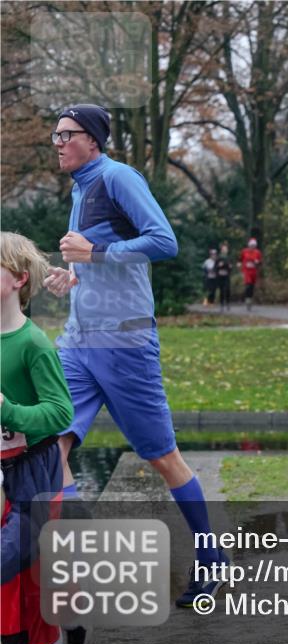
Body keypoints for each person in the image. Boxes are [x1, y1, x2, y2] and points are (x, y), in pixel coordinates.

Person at [42, 104, 227, 605]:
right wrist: (75, 274)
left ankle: (210, 556)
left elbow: (164, 242)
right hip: (79, 342)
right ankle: (71, 568)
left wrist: (94, 256)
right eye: (54, 134)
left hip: (125, 344)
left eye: (67, 134)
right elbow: (100, 253)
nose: (57, 142)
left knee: (164, 459)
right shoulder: (80, 187)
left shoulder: (118, 177)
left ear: (94, 139)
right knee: (49, 447)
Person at [2, 232, 75, 644]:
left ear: (18, 279)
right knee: (10, 594)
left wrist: (8, 411)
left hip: (34, 473)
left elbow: (60, 413)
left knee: (26, 577)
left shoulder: (33, 344)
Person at [240, 237, 262, 310]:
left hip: (254, 271)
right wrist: (240, 265)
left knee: (252, 286)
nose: (252, 247)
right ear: (248, 245)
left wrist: (257, 262)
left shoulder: (257, 252)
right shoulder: (244, 251)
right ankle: (247, 299)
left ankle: (250, 299)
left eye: (254, 246)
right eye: (251, 246)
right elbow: (240, 259)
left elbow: (260, 262)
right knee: (248, 285)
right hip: (246, 271)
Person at [215, 241, 232, 311]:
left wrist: (230, 267)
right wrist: (219, 266)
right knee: (222, 290)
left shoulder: (229, 258)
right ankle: (222, 304)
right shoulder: (219, 257)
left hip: (226, 275)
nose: (225, 250)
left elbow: (230, 267)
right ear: (221, 250)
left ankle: (227, 303)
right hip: (220, 276)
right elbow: (215, 267)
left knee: (227, 289)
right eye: (224, 249)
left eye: (226, 249)